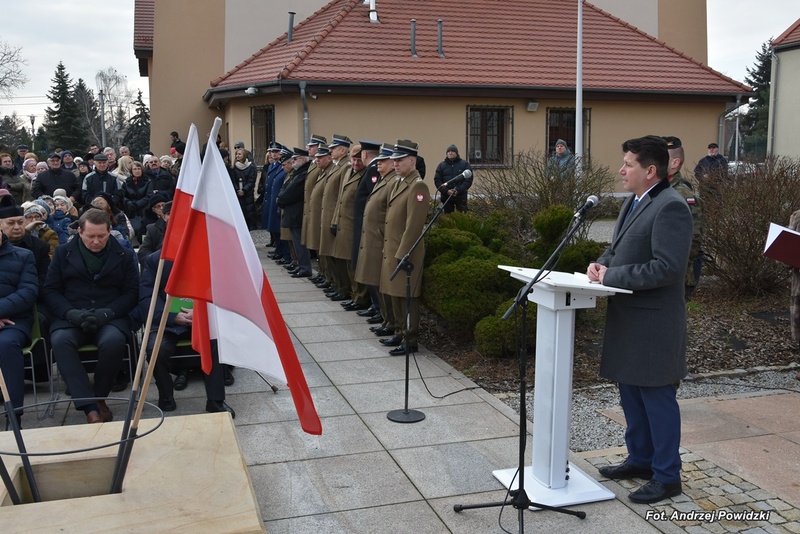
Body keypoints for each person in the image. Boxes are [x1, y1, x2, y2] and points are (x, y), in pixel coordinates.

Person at [587, 135, 692, 504]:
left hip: (654, 324)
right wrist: (602, 262)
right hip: (630, 318)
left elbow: (668, 267)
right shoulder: (634, 202)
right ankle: (641, 460)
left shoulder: (671, 206)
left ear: (650, 170)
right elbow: (619, 248)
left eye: (628, 164)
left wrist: (611, 277)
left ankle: (667, 476)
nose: (621, 170)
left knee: (657, 399)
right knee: (631, 395)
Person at [42, 209, 139, 424]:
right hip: (70, 316)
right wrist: (70, 313)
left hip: (110, 315)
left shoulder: (123, 254)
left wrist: (108, 313)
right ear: (79, 231)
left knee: (113, 341)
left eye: (101, 236)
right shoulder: (62, 252)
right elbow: (50, 290)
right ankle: (89, 408)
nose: (96, 241)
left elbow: (132, 292)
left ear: (110, 231)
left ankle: (99, 396)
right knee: (60, 341)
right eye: (90, 236)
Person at [139, 250, 235, 416]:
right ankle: (166, 395)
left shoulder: (210, 255)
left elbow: (221, 290)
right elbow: (147, 298)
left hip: (202, 317)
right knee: (156, 348)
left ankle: (215, 400)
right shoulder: (156, 260)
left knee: (216, 342)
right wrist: (172, 316)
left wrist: (200, 311)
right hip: (167, 321)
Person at [379, 140, 430, 356]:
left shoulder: (417, 186)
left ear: (412, 160)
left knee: (407, 297)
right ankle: (400, 332)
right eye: (394, 160)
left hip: (407, 252)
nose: (395, 164)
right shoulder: (399, 182)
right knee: (395, 294)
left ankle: (410, 338)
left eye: (400, 160)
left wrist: (403, 253)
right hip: (394, 249)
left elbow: (414, 225)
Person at [0, 196, 39, 429]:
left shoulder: (23, 256)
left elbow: (28, 293)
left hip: (14, 322)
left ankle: (13, 416)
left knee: (5, 345)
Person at [663, 136, 703, 299]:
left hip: (678, 277)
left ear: (674, 163)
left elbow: (692, 241)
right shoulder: (659, 190)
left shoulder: (684, 196)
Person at [276, 148, 312, 277]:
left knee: (299, 242)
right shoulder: (297, 172)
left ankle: (304, 267)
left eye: (295, 159)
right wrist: (280, 198)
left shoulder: (303, 173)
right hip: (293, 212)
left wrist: (281, 199)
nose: (293, 161)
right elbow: (286, 188)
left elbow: (291, 192)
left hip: (297, 212)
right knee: (295, 241)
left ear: (302, 159)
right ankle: (299, 264)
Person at [433, 144, 472, 213]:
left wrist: (458, 190)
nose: (450, 153)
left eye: (453, 151)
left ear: (456, 153)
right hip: (446, 197)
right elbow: (437, 181)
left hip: (460, 196)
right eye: (449, 151)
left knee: (461, 218)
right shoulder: (441, 166)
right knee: (448, 219)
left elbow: (468, 180)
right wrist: (446, 191)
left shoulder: (465, 164)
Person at [231, 147, 257, 230]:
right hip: (237, 193)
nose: (237, 156)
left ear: (244, 155)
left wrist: (244, 190)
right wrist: (237, 190)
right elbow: (233, 180)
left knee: (249, 211)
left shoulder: (251, 167)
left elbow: (251, 180)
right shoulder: (234, 167)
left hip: (247, 193)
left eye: (239, 154)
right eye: (236, 154)